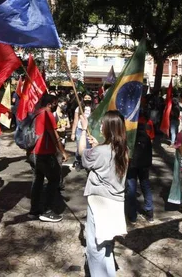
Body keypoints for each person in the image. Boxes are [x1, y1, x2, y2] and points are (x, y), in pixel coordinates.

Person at [78, 111, 129, 277]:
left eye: (103, 124)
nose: (100, 126)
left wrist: (83, 130)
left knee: (95, 246)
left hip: (99, 203)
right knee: (107, 244)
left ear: (109, 128)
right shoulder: (123, 149)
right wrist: (97, 145)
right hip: (115, 203)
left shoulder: (101, 151)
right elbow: (105, 156)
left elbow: (81, 154)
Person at [29, 94, 68, 222]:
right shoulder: (47, 114)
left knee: (38, 180)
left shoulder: (35, 113)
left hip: (32, 153)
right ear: (50, 103)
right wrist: (62, 151)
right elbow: (54, 135)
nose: (57, 105)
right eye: (55, 102)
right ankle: (47, 210)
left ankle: (34, 210)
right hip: (44, 153)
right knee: (55, 178)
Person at [125, 118, 154, 223]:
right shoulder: (146, 137)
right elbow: (149, 153)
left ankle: (132, 216)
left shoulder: (129, 137)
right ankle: (150, 212)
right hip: (144, 166)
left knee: (131, 189)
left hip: (132, 166)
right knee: (146, 187)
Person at [71, 94, 92, 170]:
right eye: (85, 97)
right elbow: (75, 121)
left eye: (89, 97)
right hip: (80, 130)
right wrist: (73, 133)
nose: (87, 99)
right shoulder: (78, 108)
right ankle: (78, 162)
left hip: (90, 131)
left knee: (89, 147)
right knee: (79, 147)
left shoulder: (95, 108)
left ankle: (87, 162)